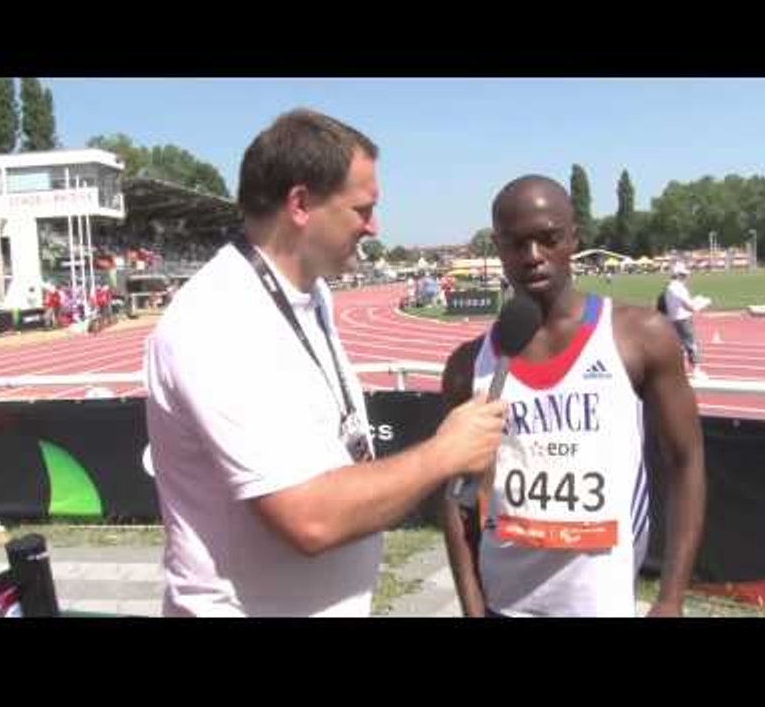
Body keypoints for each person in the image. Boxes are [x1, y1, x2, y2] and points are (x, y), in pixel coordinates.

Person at [144, 108, 507, 617]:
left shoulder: (310, 293)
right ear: (301, 204)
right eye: (362, 208)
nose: (374, 226)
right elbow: (309, 520)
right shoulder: (219, 320)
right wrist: (445, 452)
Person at [441, 175, 706, 617]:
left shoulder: (640, 337)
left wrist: (671, 596)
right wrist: (472, 606)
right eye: (515, 243)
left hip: (601, 604)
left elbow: (686, 461)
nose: (533, 257)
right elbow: (456, 495)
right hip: (503, 603)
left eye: (548, 239)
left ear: (574, 238)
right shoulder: (468, 366)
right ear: (498, 247)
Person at [664, 261, 708, 379]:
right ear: (678, 275)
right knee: (691, 345)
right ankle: (696, 371)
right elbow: (690, 307)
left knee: (679, 346)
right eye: (683, 275)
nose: (686, 277)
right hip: (683, 320)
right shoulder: (679, 288)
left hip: (673, 319)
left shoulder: (670, 287)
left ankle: (677, 370)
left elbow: (681, 305)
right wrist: (703, 303)